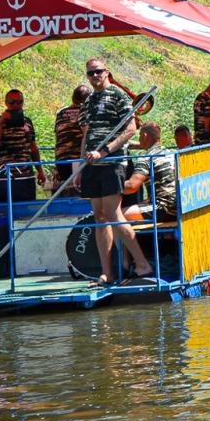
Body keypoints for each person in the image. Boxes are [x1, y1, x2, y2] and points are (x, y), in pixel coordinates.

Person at [78, 59, 153, 285]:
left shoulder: (118, 96)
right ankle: (106, 273)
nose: (95, 76)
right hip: (92, 165)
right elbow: (87, 132)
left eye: (99, 72)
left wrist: (106, 151)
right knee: (99, 216)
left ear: (107, 72)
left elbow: (131, 129)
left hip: (112, 163)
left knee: (113, 213)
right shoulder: (89, 100)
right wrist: (82, 162)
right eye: (91, 73)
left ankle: (142, 264)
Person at [0, 89, 42, 201]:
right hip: (6, 174)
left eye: (19, 102)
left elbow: (33, 147)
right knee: (9, 207)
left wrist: (40, 171)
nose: (16, 105)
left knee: (28, 206)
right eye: (12, 102)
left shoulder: (27, 121)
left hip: (26, 173)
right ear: (6, 103)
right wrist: (2, 121)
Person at [122, 122, 178, 223]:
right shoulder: (171, 153)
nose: (138, 140)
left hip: (164, 209)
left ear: (144, 136)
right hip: (179, 206)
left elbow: (132, 186)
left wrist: (109, 187)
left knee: (119, 215)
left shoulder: (146, 157)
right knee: (141, 204)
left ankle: (131, 239)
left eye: (139, 136)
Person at [52, 84, 91, 195]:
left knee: (66, 193)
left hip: (61, 160)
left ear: (73, 98)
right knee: (79, 193)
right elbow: (87, 134)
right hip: (77, 160)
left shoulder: (61, 113)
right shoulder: (85, 112)